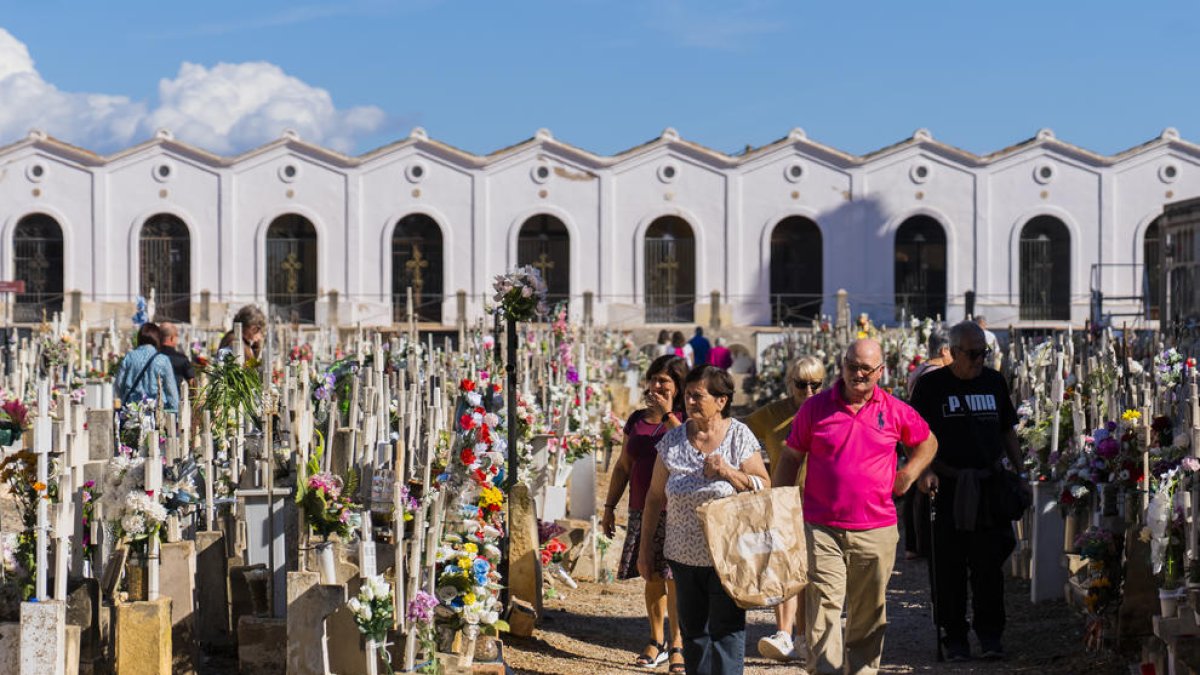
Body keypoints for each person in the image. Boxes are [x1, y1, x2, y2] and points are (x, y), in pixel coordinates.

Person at [784, 339, 937, 675]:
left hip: (876, 528)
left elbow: (927, 442)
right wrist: (781, 506)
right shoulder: (815, 408)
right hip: (822, 527)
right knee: (823, 606)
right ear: (842, 365)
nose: (858, 374)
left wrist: (909, 474)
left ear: (880, 371)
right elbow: (791, 456)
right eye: (852, 366)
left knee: (868, 613)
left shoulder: (895, 410)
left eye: (866, 368)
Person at [641, 366, 770, 675]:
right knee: (693, 634)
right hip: (682, 556)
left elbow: (765, 485)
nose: (689, 401)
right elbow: (654, 497)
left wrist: (728, 472)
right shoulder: (672, 441)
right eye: (687, 395)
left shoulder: (738, 435)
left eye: (698, 396)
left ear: (721, 401)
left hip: (728, 554)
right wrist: (646, 550)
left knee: (726, 631)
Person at [909, 321, 1022, 662]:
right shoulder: (931, 387)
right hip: (947, 487)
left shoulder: (994, 381)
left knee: (989, 567)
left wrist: (1021, 471)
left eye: (983, 354)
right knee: (948, 568)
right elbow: (915, 438)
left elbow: (1007, 431)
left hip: (988, 486)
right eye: (972, 354)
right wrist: (924, 473)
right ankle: (953, 637)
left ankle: (990, 636)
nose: (978, 361)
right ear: (953, 352)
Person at [603, 354, 688, 672]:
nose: (655, 385)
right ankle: (656, 640)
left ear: (678, 386)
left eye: (663, 381)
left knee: (675, 579)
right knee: (651, 575)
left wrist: (668, 414)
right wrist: (610, 507)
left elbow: (688, 449)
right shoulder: (636, 420)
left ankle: (679, 642)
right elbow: (624, 466)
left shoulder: (686, 417)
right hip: (642, 509)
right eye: (653, 379)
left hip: (677, 510)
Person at [743, 355, 826, 663]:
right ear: (790, 383)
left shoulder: (829, 410)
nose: (808, 392)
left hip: (821, 501)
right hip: (783, 498)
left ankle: (805, 636)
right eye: (801, 384)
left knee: (811, 572)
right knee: (782, 567)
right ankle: (784, 633)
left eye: (815, 385)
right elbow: (737, 434)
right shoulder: (773, 414)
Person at [902, 327, 951, 561]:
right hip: (924, 437)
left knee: (915, 490)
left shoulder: (920, 369)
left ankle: (914, 543)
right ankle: (919, 543)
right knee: (920, 491)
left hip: (917, 436)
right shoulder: (931, 375)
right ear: (944, 350)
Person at [114, 322, 180, 412]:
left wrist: (125, 397)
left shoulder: (129, 357)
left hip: (132, 411)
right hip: (156, 412)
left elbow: (119, 384)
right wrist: (175, 412)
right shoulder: (163, 360)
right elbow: (171, 392)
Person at [159, 322, 196, 391]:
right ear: (172, 338)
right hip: (174, 398)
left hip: (151, 400)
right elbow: (192, 383)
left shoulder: (151, 357)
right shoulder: (181, 359)